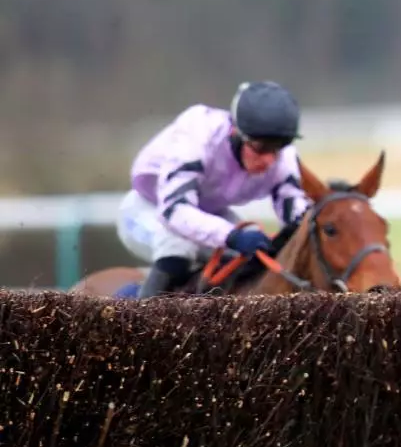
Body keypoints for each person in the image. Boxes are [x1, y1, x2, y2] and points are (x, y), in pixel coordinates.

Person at [116, 80, 313, 297]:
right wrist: (231, 236)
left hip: (209, 213)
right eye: (260, 148)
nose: (269, 160)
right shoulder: (199, 133)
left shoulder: (283, 159)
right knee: (178, 247)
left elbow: (297, 216)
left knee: (257, 256)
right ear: (235, 132)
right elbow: (174, 210)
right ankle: (134, 313)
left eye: (278, 148)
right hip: (148, 209)